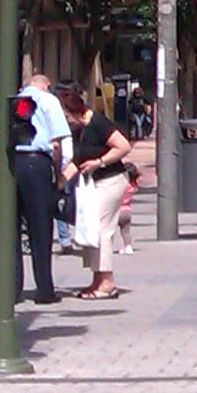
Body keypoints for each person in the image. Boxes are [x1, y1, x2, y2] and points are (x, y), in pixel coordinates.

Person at [60, 88, 134, 299]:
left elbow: (123, 146)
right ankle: (97, 279)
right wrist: (60, 181)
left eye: (67, 116)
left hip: (111, 180)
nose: (66, 122)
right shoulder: (78, 130)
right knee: (91, 227)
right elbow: (77, 161)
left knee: (102, 228)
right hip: (94, 183)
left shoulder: (98, 123)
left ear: (76, 111)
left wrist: (99, 162)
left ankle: (107, 282)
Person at [13, 69, 69, 305]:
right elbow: (56, 143)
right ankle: (44, 289)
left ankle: (13, 290)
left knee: (11, 229)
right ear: (45, 85)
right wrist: (58, 173)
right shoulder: (48, 100)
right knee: (41, 227)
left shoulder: (14, 101)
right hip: (38, 163)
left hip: (13, 163)